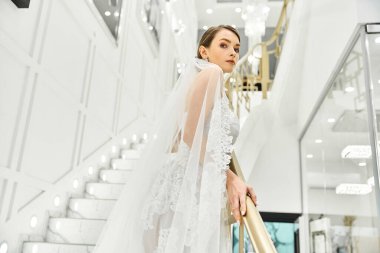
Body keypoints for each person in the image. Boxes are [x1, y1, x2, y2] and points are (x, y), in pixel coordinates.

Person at [93, 25, 257, 253]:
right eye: (224, 45)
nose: (233, 52)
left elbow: (181, 136)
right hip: (186, 188)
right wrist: (229, 177)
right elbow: (190, 135)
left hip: (185, 182)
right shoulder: (213, 74)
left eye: (237, 48)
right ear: (204, 52)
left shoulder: (207, 81)